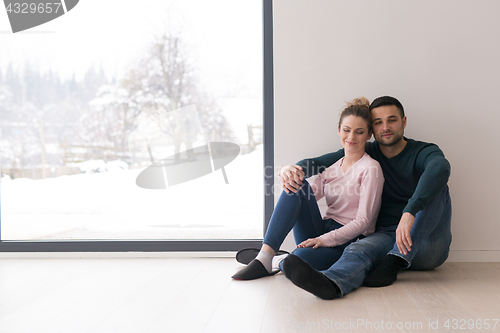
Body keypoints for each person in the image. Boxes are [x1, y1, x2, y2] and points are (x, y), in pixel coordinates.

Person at [279, 96, 452, 300]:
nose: (385, 127)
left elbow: (440, 168)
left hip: (427, 244)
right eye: (378, 122)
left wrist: (409, 211)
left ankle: (396, 261)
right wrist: (290, 169)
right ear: (372, 130)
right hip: (388, 236)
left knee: (438, 186)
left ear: (404, 122)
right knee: (358, 249)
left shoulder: (423, 151)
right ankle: (332, 283)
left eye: (392, 120)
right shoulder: (366, 152)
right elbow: (318, 162)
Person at [232, 97, 384, 280]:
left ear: (369, 135)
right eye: (346, 130)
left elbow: (364, 221)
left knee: (300, 259)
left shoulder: (371, 168)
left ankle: (279, 260)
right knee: (298, 186)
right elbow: (305, 195)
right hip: (321, 228)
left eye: (359, 132)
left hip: (349, 239)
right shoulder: (332, 167)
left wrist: (324, 240)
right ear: (338, 130)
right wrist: (287, 173)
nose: (351, 137)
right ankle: (265, 255)